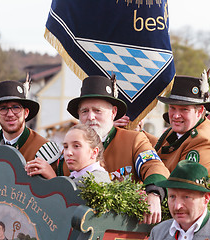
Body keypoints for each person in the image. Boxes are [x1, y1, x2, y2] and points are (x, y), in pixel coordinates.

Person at [66, 75, 170, 224]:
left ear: (113, 112)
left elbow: (154, 167)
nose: (90, 117)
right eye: (84, 111)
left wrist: (154, 193)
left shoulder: (133, 140)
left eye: (97, 110)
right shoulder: (69, 150)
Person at [154, 75, 210, 195]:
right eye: (172, 108)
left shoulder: (203, 141)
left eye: (184, 110)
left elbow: (183, 189)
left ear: (199, 111)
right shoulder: (177, 131)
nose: (176, 115)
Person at [0, 81, 61, 178]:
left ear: (25, 113)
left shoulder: (44, 150)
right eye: (3, 108)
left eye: (16, 107)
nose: (10, 114)